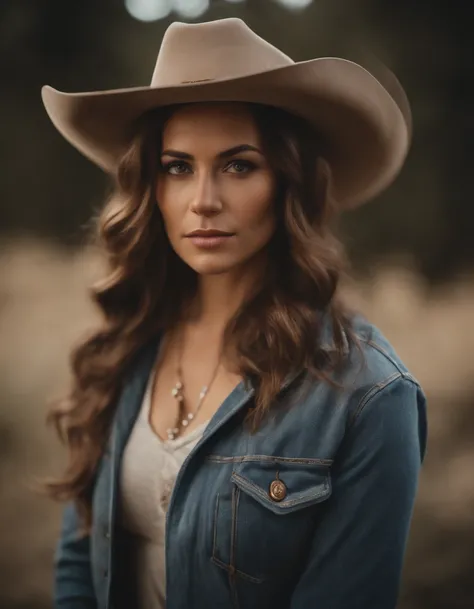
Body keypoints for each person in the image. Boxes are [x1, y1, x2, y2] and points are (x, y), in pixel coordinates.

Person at [42, 17, 427, 609]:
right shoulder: (126, 346)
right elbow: (79, 562)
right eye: (178, 167)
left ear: (288, 182)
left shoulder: (369, 397)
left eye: (238, 164)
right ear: (152, 185)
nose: (203, 200)